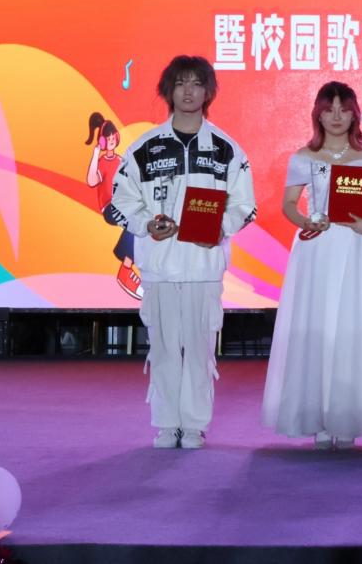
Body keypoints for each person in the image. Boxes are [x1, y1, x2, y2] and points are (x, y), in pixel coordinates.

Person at [106, 55, 256, 449]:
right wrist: (146, 224)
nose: (188, 92)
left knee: (200, 350)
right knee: (163, 349)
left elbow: (244, 206)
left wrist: (219, 228)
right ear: (168, 91)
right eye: (180, 83)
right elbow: (121, 200)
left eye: (196, 83)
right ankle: (166, 423)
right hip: (159, 267)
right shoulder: (144, 147)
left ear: (208, 92)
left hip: (204, 266)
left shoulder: (226, 149)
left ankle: (193, 425)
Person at [262, 82, 362, 448]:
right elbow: (288, 204)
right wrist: (304, 222)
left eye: (343, 109)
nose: (335, 116)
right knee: (316, 326)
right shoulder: (303, 157)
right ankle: (316, 417)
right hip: (316, 248)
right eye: (328, 109)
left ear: (353, 114)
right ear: (317, 114)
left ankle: (348, 417)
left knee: (353, 328)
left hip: (357, 247)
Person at [85, 112, 141, 299]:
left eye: (112, 137)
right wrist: (95, 153)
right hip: (110, 207)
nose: (110, 141)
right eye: (107, 138)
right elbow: (92, 181)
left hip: (124, 203)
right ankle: (125, 271)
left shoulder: (119, 160)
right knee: (136, 221)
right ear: (102, 141)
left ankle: (128, 269)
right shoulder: (102, 162)